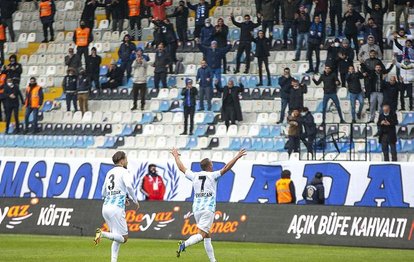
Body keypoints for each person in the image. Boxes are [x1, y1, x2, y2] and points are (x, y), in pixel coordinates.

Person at [172, 147, 247, 261]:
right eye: (211, 164)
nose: (212, 165)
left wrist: (176, 156)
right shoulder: (213, 175)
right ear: (209, 166)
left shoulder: (195, 175)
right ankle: (184, 244)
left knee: (207, 235)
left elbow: (181, 168)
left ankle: (213, 260)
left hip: (196, 209)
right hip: (208, 209)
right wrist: (237, 156)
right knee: (201, 234)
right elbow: (226, 168)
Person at [94, 151, 140, 262]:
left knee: (116, 236)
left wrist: (122, 198)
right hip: (116, 209)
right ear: (122, 160)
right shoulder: (124, 172)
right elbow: (129, 186)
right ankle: (102, 233)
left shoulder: (109, 172)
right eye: (126, 159)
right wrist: (135, 199)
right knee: (124, 238)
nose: (127, 161)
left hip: (105, 208)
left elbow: (103, 192)